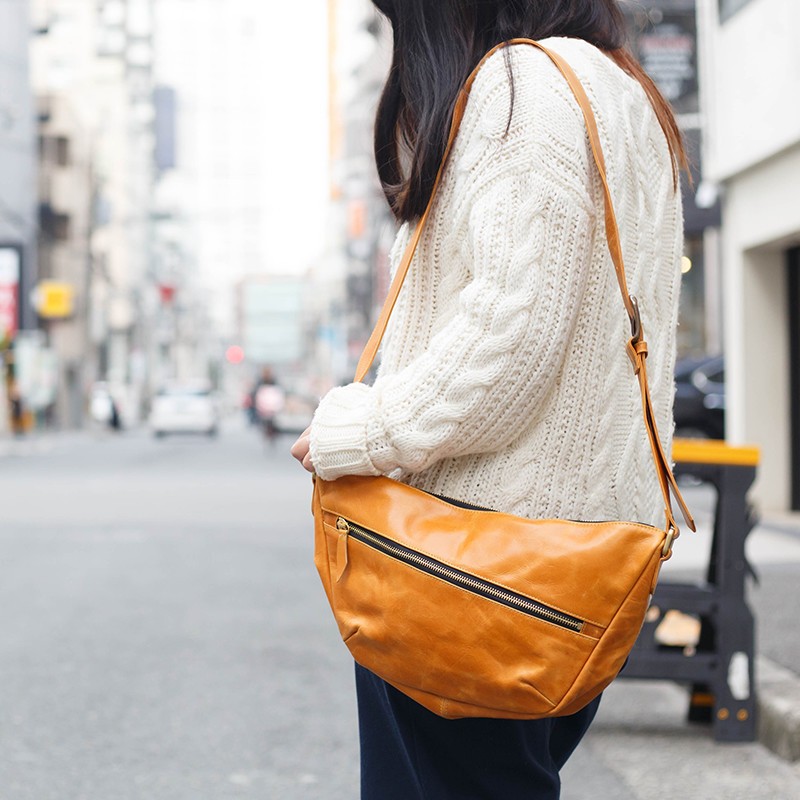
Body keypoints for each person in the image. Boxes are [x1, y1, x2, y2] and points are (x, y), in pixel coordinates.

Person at [292, 1, 687, 796]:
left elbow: (509, 341)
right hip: (581, 571)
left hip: (468, 565)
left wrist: (357, 429)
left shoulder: (522, 85)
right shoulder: (624, 90)